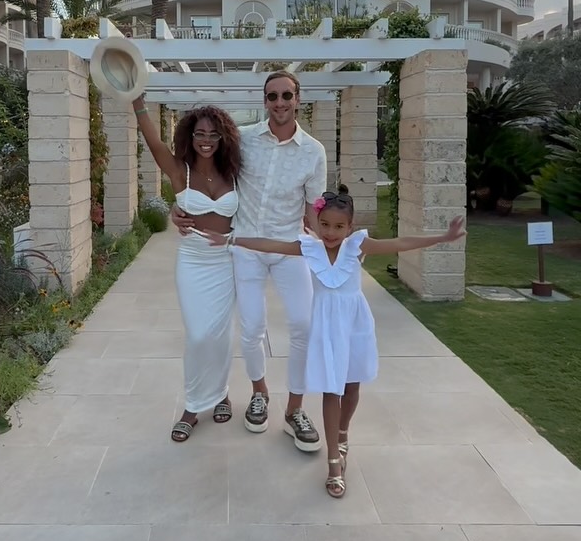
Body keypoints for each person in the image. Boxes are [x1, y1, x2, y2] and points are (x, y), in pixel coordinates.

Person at [203, 189, 466, 497]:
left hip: (355, 325)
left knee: (351, 387)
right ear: (317, 222)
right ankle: (333, 464)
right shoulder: (310, 248)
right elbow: (271, 244)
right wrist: (232, 240)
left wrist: (442, 238)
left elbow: (399, 243)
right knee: (332, 389)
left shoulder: (358, 246)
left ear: (350, 227)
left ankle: (343, 434)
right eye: (325, 224)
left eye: (339, 226)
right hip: (327, 328)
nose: (330, 232)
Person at [172, 73, 328, 452]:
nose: (280, 102)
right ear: (265, 100)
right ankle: (260, 393)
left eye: (286, 95)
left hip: (289, 247)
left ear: (298, 98)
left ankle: (295, 410)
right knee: (252, 327)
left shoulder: (314, 152)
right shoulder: (241, 140)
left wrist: (328, 248)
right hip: (245, 247)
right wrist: (178, 208)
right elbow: (202, 168)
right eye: (272, 96)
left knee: (304, 325)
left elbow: (314, 211)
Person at [133, 95, 242, 442]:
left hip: (226, 262)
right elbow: (153, 142)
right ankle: (193, 406)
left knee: (220, 335)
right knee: (197, 335)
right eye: (199, 134)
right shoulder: (181, 170)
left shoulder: (235, 172)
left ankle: (221, 393)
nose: (206, 140)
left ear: (223, 137)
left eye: (213, 134)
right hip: (193, 260)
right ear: (189, 136)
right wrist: (137, 103)